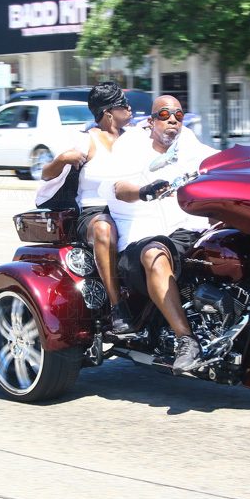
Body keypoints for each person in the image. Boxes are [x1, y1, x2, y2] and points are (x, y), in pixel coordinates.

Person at [103, 95, 218, 372]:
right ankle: (186, 339)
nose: (172, 121)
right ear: (151, 121)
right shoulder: (131, 146)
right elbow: (118, 188)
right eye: (165, 115)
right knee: (155, 253)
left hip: (185, 230)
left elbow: (219, 160)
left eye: (179, 115)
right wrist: (143, 191)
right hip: (141, 236)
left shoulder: (187, 144)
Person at [38, 82, 134, 333]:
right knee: (104, 229)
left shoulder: (137, 138)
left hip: (132, 208)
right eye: (123, 103)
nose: (130, 107)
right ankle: (117, 306)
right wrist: (61, 159)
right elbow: (46, 175)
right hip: (94, 213)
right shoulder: (86, 140)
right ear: (108, 112)